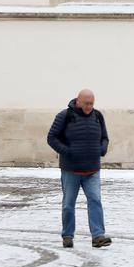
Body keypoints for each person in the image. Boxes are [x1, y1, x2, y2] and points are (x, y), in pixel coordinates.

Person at [47, 88, 111, 248]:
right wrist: (67, 151)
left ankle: (98, 236)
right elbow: (51, 137)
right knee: (68, 204)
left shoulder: (97, 116)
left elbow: (104, 137)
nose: (89, 106)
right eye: (86, 103)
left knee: (95, 201)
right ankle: (67, 235)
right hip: (71, 170)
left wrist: (102, 149)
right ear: (78, 100)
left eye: (91, 103)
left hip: (92, 170)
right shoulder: (64, 116)